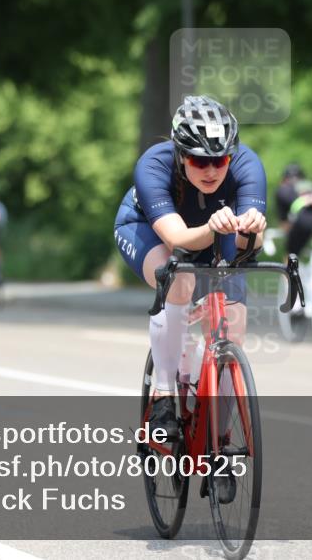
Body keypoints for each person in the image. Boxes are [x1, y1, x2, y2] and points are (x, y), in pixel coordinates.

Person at [113, 95, 268, 440]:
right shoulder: (153, 165)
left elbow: (250, 247)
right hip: (147, 229)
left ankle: (221, 436)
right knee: (179, 279)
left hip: (216, 229)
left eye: (220, 159)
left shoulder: (247, 165)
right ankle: (164, 393)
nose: (211, 170)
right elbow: (178, 239)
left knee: (234, 327)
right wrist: (215, 228)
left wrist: (253, 232)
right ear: (181, 154)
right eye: (199, 161)